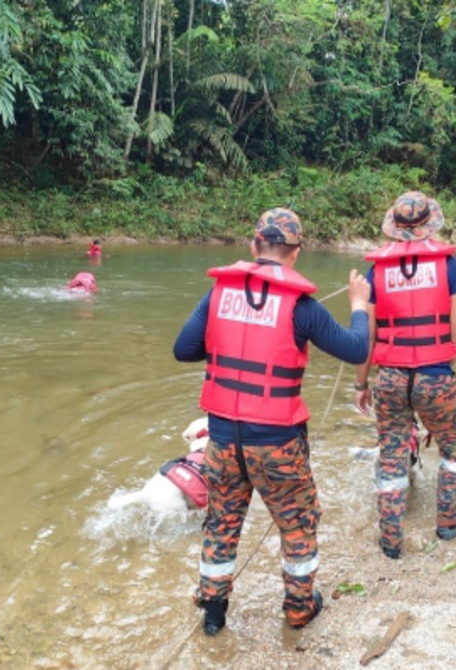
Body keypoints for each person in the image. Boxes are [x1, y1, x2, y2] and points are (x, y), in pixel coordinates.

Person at [173, 207, 371, 636]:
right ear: (296, 253)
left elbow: (183, 350)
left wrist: (226, 342)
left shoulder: (218, 294)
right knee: (298, 525)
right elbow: (357, 349)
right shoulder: (302, 306)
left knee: (222, 522)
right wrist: (358, 306)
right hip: (277, 444)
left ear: (253, 246)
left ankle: (213, 612)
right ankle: (299, 609)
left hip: (222, 439)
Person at [354, 191, 456, 560]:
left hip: (389, 377)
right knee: (455, 445)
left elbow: (367, 336)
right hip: (435, 374)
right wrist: (442, 371)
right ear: (429, 224)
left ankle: (391, 539)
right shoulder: (449, 266)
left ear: (395, 226)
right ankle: (448, 522)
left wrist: (361, 384)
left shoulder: (376, 272)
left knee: (391, 454)